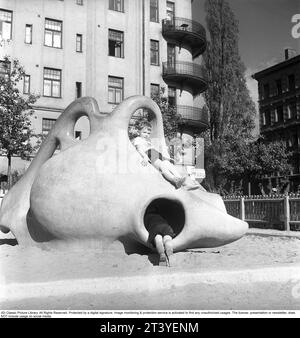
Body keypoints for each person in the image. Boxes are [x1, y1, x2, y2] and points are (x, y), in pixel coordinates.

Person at [132, 122, 199, 190]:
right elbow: (139, 149)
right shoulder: (138, 139)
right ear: (139, 132)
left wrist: (167, 158)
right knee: (162, 166)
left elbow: (154, 150)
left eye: (148, 133)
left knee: (168, 163)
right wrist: (145, 156)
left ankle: (184, 183)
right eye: (144, 132)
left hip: (155, 153)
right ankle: (174, 180)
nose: (146, 134)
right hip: (149, 154)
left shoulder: (148, 141)